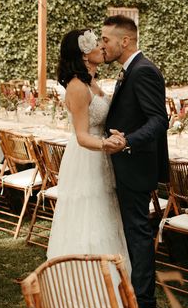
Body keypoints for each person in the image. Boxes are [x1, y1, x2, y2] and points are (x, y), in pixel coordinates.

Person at [46, 29, 131, 277]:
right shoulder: (77, 87)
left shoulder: (92, 82)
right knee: (88, 217)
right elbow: (82, 136)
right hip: (87, 156)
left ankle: (115, 282)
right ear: (84, 54)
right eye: (96, 44)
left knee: (105, 214)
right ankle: (87, 283)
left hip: (100, 155)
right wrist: (108, 144)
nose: (102, 47)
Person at [102, 15, 169, 308]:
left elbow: (159, 120)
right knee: (131, 231)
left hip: (136, 165)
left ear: (124, 41)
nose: (103, 45)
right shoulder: (129, 70)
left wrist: (127, 140)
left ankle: (144, 303)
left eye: (106, 40)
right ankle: (132, 291)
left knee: (138, 233)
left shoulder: (143, 71)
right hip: (125, 164)